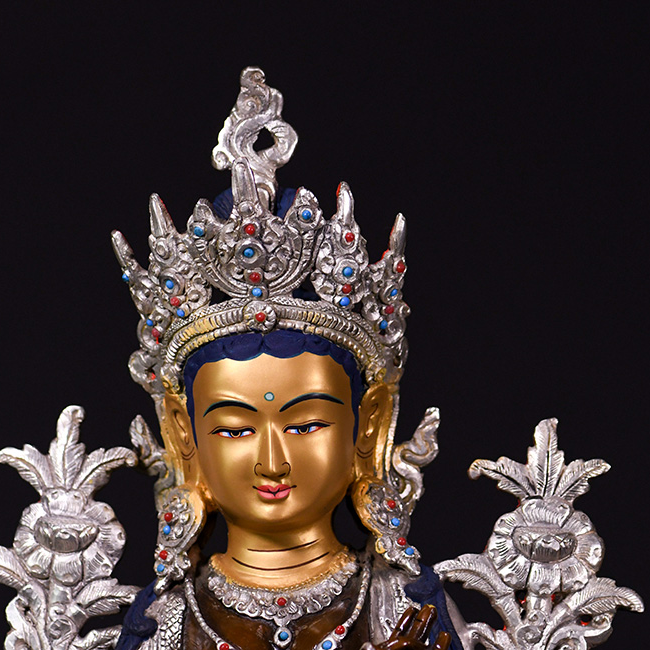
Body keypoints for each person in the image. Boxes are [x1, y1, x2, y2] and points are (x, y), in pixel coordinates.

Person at [109, 67, 465, 650]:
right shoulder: (166, 621)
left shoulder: (399, 606)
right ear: (183, 434)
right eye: (234, 429)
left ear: (369, 425)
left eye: (305, 424)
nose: (272, 462)